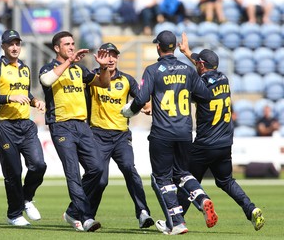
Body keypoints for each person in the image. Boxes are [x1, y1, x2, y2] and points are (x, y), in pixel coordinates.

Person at [121, 30, 217, 235]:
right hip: (184, 131)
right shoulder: (188, 71)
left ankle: (177, 222)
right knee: (182, 173)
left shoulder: (153, 70)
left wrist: (128, 111)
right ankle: (202, 198)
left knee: (162, 178)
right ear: (174, 46)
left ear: (158, 47)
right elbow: (206, 96)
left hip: (162, 133)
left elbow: (140, 99)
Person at [175, 32, 265, 231]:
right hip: (225, 142)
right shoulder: (223, 78)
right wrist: (188, 53)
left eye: (197, 62)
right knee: (226, 181)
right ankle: (251, 209)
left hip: (205, 143)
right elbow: (203, 66)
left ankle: (177, 220)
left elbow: (188, 88)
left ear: (201, 65)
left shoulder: (201, 85)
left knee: (186, 179)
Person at [39, 31, 110, 232]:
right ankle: (85, 217)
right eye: (66, 44)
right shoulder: (49, 68)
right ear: (56, 48)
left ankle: (72, 212)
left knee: (97, 170)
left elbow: (104, 83)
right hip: (61, 125)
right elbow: (46, 81)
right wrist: (69, 61)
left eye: (72, 43)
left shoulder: (79, 69)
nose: (71, 46)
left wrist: (103, 67)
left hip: (82, 125)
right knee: (73, 173)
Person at [0, 29, 47, 226]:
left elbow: (25, 93)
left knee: (39, 165)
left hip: (26, 124)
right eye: (11, 44)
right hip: (5, 126)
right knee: (13, 172)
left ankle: (26, 198)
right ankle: (14, 215)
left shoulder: (25, 69)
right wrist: (9, 98)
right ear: (3, 47)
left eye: (17, 43)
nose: (15, 47)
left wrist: (36, 102)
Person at [86, 42, 154, 228]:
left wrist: (145, 108)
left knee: (130, 170)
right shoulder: (92, 77)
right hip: (97, 134)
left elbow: (142, 102)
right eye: (107, 55)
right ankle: (87, 216)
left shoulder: (127, 80)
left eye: (114, 55)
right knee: (100, 180)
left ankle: (143, 213)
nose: (111, 59)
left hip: (121, 136)